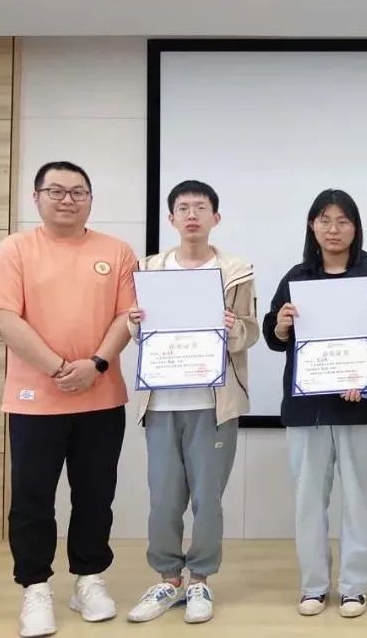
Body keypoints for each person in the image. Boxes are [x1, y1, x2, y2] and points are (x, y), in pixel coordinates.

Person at [0, 161, 137, 638]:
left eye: (78, 192)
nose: (68, 199)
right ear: (37, 198)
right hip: (34, 400)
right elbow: (3, 318)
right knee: (32, 498)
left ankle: (89, 578)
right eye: (57, 191)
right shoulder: (15, 249)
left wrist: (96, 365)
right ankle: (35, 587)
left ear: (90, 199)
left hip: (101, 397)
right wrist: (59, 368)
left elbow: (128, 317)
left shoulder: (116, 251)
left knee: (96, 495)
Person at [124, 180, 259, 624]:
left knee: (207, 499)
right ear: (171, 218)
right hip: (161, 402)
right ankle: (168, 579)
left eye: (201, 208)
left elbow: (251, 331)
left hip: (213, 404)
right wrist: (134, 323)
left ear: (215, 218)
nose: (192, 215)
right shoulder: (149, 268)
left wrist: (234, 327)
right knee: (163, 497)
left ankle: (200, 579)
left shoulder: (236, 270)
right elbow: (138, 331)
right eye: (183, 208)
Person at [263, 189, 367, 619]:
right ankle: (314, 585)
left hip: (360, 407)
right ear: (312, 226)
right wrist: (281, 326)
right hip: (308, 409)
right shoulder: (296, 277)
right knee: (308, 501)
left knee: (359, 500)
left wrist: (365, 376)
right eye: (324, 220)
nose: (333, 229)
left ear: (355, 227)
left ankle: (354, 587)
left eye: (342, 221)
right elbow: (273, 334)